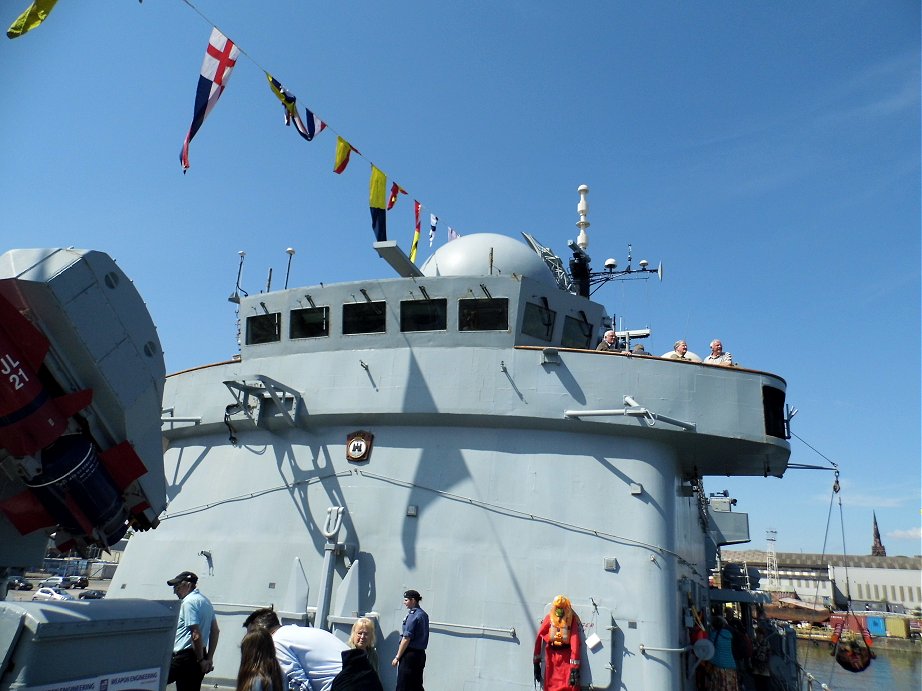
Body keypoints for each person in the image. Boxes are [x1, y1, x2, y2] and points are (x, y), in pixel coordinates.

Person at [167, 571, 220, 691]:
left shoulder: (188, 603)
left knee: (152, 680)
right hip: (199, 655)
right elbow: (215, 631)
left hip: (184, 658)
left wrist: (201, 660)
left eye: (177, 587)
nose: (175, 591)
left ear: (189, 585)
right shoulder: (206, 602)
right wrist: (208, 659)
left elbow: (195, 634)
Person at [533, 595, 581, 691]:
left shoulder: (549, 618)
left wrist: (536, 663)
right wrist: (574, 668)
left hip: (552, 658)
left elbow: (539, 637)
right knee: (569, 686)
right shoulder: (571, 621)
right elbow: (575, 643)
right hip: (566, 661)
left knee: (551, 686)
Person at [392, 589, 429, 691]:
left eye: (406, 600)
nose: (404, 603)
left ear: (413, 600)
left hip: (409, 656)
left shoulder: (413, 615)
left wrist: (397, 657)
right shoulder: (423, 615)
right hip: (420, 655)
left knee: (403, 685)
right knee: (416, 685)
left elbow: (406, 638)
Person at [705, 615, 738, 691]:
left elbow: (708, 649)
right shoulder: (729, 635)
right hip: (731, 666)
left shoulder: (713, 635)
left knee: (719, 687)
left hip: (718, 666)